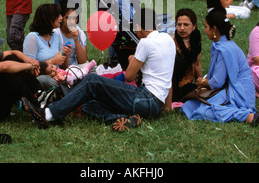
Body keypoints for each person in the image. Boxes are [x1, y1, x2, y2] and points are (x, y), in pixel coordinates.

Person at [21, 8, 176, 132]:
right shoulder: (168, 40)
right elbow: (168, 76)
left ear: (138, 25)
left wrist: (132, 60)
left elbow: (129, 76)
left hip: (145, 98)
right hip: (156, 105)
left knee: (92, 80)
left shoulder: (145, 43)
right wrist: (167, 107)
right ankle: (121, 118)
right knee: (89, 104)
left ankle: (48, 114)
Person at [181, 10, 259, 126]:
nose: (204, 30)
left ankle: (246, 116)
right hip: (229, 86)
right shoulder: (220, 44)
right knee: (189, 105)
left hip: (238, 90)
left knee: (203, 111)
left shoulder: (225, 50)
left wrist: (202, 82)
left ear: (214, 29)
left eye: (206, 27)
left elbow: (217, 83)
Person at [23, 4, 72, 92]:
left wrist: (66, 55)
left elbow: (64, 67)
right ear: (48, 18)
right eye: (58, 15)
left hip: (58, 75)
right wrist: (52, 61)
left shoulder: (56, 35)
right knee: (44, 80)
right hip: (43, 79)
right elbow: (29, 69)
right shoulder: (32, 38)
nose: (61, 18)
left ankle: (66, 90)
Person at [164, 9, 202, 110]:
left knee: (201, 93)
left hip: (186, 82)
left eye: (186, 24)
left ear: (194, 26)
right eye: (179, 24)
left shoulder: (196, 38)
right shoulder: (171, 39)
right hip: (170, 82)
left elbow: (196, 64)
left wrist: (200, 83)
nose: (182, 28)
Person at [58, 0, 88, 66]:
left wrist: (76, 40)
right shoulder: (55, 32)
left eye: (74, 18)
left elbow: (83, 61)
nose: (71, 22)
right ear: (61, 18)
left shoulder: (80, 33)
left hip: (76, 68)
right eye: (67, 18)